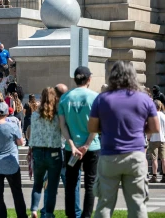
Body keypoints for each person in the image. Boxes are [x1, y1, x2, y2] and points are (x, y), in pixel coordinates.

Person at [90, 61, 159, 218]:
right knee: (137, 205)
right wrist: (140, 130)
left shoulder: (102, 99)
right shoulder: (144, 99)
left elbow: (92, 127)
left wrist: (108, 129)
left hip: (109, 156)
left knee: (104, 205)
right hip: (136, 155)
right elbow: (155, 128)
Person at [59, 66, 100, 218]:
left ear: (75, 79)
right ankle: (87, 216)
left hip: (72, 149)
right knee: (90, 184)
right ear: (89, 79)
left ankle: (71, 215)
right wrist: (87, 145)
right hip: (92, 147)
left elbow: (62, 125)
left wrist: (71, 145)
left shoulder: (65, 98)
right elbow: (97, 125)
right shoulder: (95, 97)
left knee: (70, 184)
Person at [0, 102, 27, 218]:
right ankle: (22, 215)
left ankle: (2, 216)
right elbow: (20, 143)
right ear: (7, 113)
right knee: (17, 192)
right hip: (10, 163)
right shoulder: (12, 126)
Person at [28, 87, 63, 218]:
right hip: (54, 151)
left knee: (37, 184)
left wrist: (30, 149)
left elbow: (33, 135)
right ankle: (48, 212)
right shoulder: (58, 114)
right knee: (52, 187)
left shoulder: (35, 114)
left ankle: (34, 209)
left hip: (38, 150)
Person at [149, 100, 165, 183]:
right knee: (163, 159)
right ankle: (164, 176)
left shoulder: (153, 116)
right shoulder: (163, 115)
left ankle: (154, 176)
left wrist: (148, 138)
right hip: (163, 139)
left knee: (154, 159)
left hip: (153, 139)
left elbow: (150, 129)